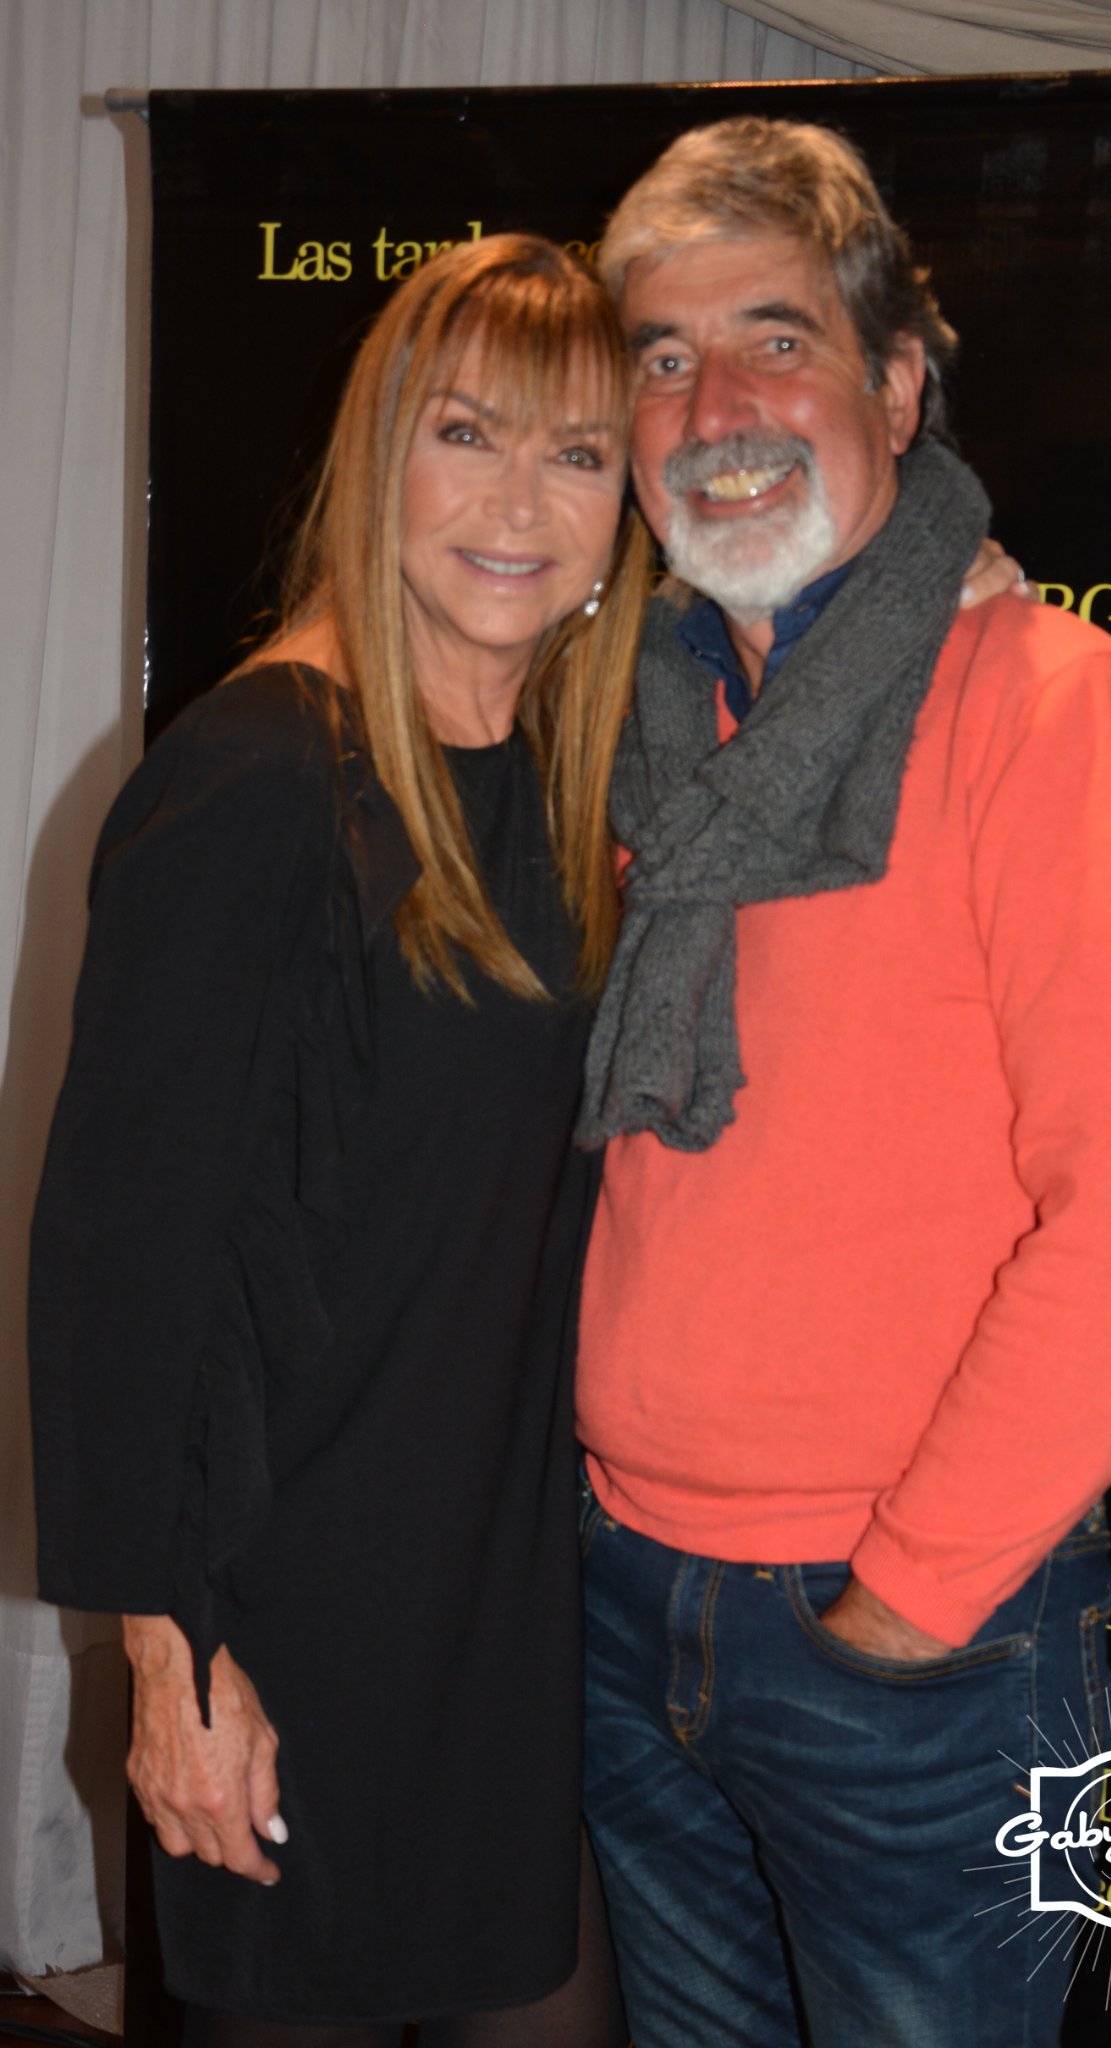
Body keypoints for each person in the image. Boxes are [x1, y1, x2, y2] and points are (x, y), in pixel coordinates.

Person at [574, 118, 1111, 2048]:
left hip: (906, 1640)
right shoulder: (625, 712)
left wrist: (904, 1609)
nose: (716, 408)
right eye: (664, 356)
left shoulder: (1048, 704)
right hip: (621, 1589)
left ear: (896, 386)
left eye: (775, 340)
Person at [27, 233, 655, 2048]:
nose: (519, 503)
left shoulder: (560, 774)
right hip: (284, 1622)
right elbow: (115, 1263)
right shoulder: (263, 772)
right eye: (467, 434)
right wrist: (170, 1666)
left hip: (492, 1604)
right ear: (379, 455)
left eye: (576, 452)